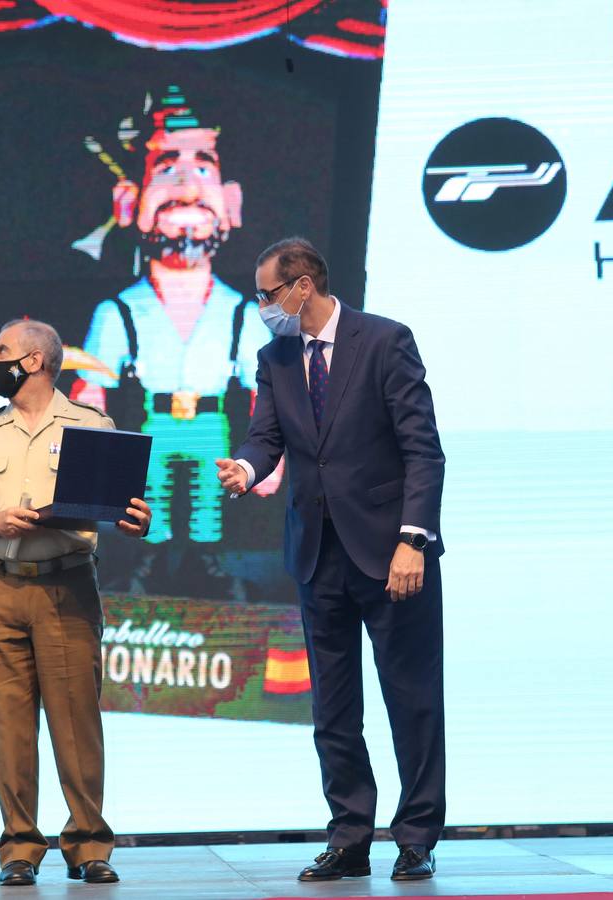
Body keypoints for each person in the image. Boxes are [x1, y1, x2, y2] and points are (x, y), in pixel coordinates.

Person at [217, 237, 445, 882]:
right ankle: (350, 835)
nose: (262, 307)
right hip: (318, 554)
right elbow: (267, 439)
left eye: (267, 295)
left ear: (303, 287)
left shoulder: (384, 341)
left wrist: (414, 539)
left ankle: (418, 834)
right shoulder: (275, 358)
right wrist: (245, 467)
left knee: (414, 699)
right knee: (334, 709)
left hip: (392, 551)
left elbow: (423, 452)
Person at [0, 319, 152, 887]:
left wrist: (136, 519)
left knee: (75, 719)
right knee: (10, 723)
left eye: (1, 350)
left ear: (33, 360)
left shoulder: (92, 425)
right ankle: (18, 849)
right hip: (1, 585)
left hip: (67, 585)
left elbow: (123, 507)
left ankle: (88, 845)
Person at [74, 85, 281, 550]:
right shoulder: (116, 313)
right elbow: (91, 395)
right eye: (167, 169)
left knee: (209, 513)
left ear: (231, 202)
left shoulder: (244, 314)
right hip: (154, 423)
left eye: (203, 167)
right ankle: (152, 566)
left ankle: (206, 566)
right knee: (153, 510)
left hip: (212, 426)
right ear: (129, 201)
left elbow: (265, 398)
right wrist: (90, 479)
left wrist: (268, 464)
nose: (187, 187)